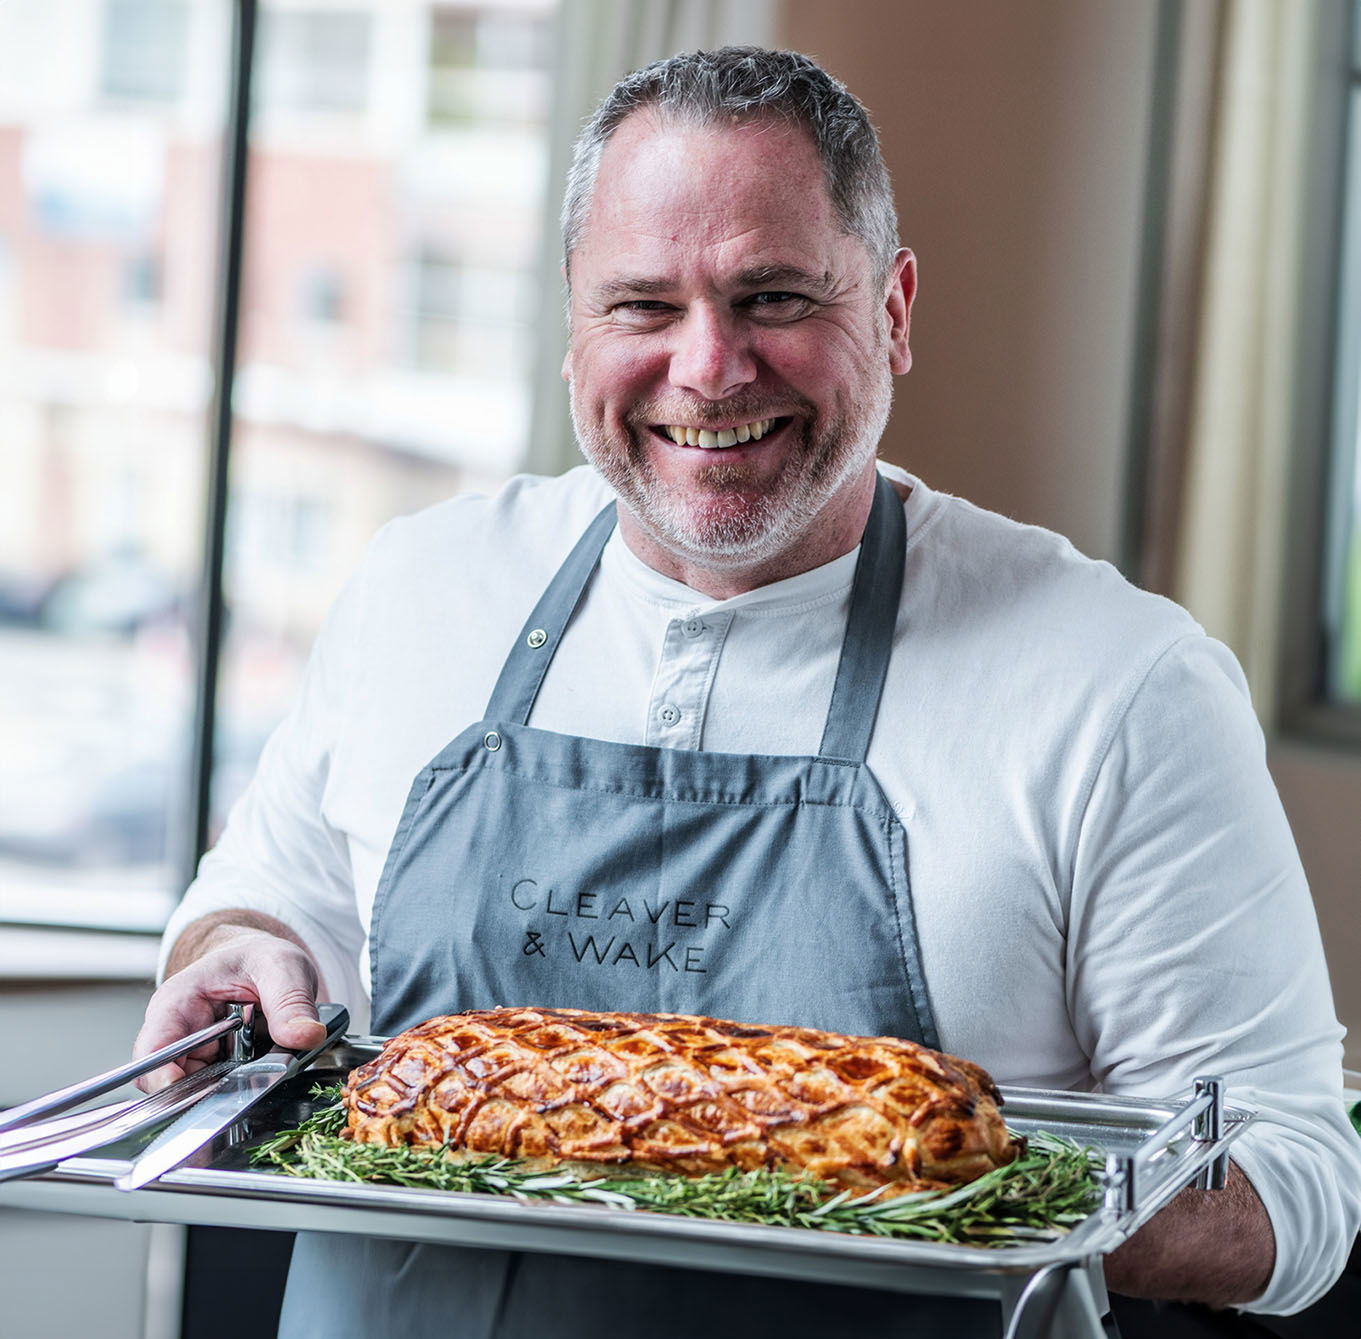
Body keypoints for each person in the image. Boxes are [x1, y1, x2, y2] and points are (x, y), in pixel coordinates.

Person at [135, 46, 1360, 1338]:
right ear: (572, 327)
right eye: (642, 306)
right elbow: (257, 912)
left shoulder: (1116, 683)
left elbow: (1294, 1187)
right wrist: (237, 959)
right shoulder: (418, 587)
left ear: (890, 309)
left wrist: (959, 1183)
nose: (709, 367)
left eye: (771, 296)